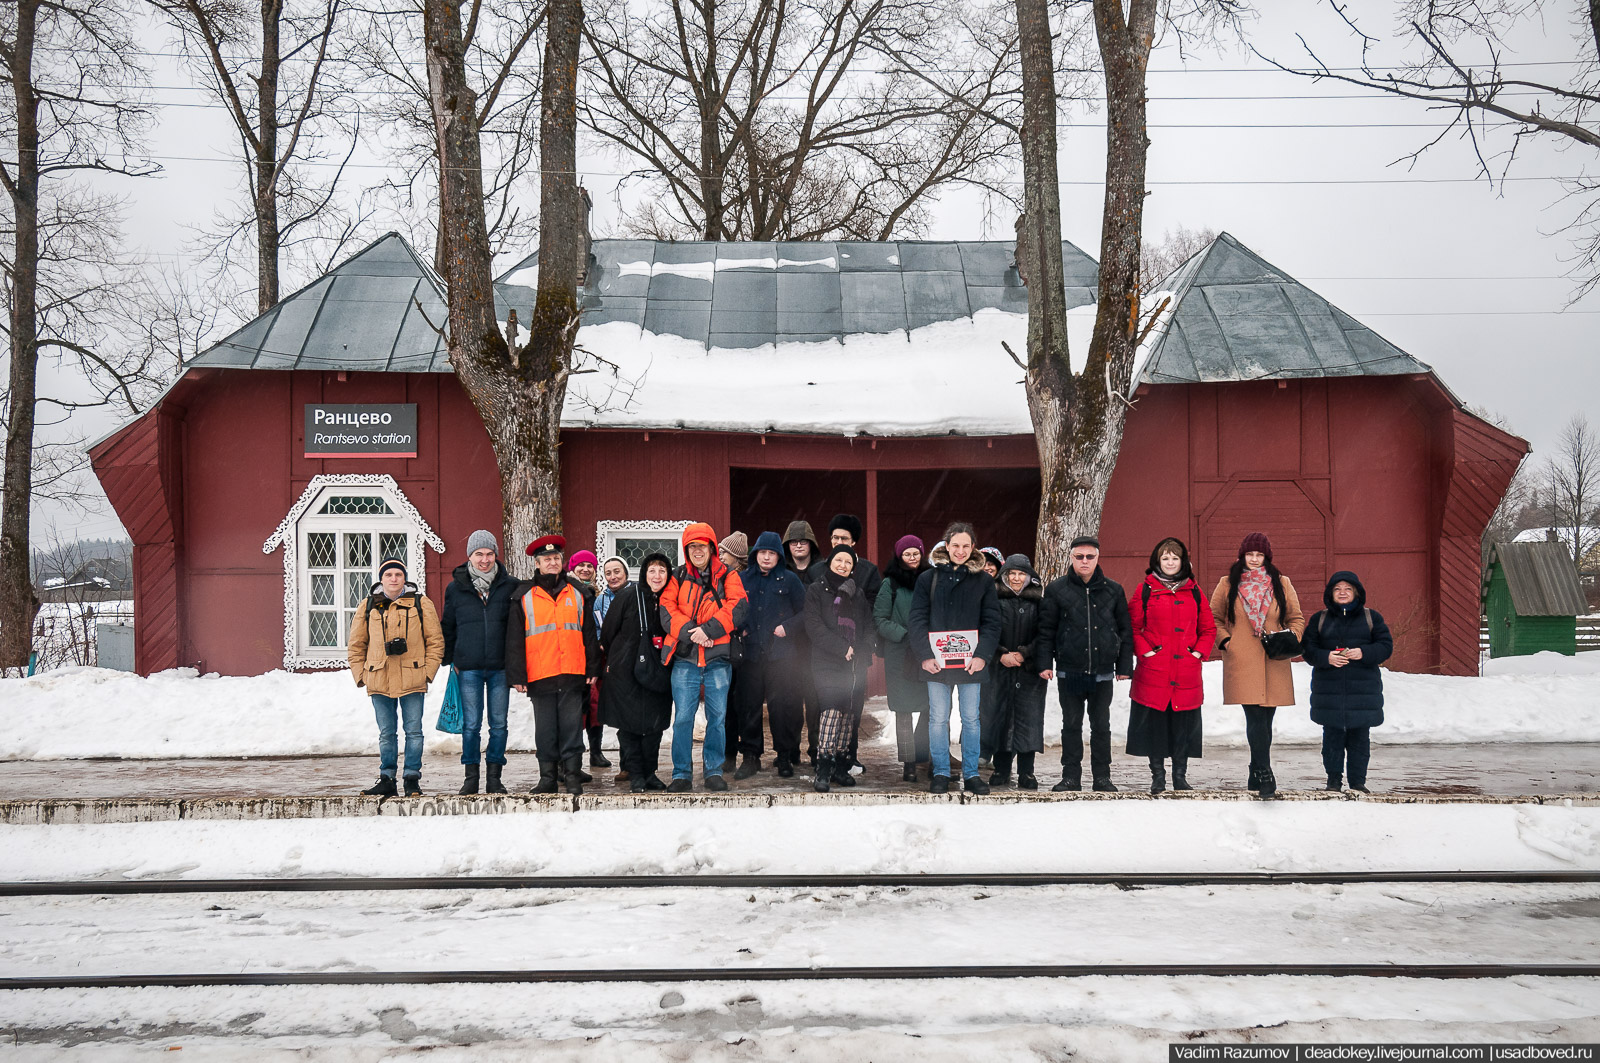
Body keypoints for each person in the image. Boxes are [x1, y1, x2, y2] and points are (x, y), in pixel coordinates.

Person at [1210, 532, 1306, 801]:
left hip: (1274, 659)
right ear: (1242, 556)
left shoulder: (1282, 583)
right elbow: (1212, 617)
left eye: (1259, 554)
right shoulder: (1228, 583)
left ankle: (1255, 768)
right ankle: (1265, 774)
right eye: (1250, 554)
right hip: (1242, 659)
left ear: (1267, 557)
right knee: (1255, 717)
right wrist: (1226, 641)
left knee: (1267, 719)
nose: (1254, 559)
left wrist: (1290, 638)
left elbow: (1296, 618)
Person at [908, 522, 1002, 795]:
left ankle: (971, 774)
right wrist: (925, 656)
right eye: (955, 545)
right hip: (936, 663)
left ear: (973, 548)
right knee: (938, 718)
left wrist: (982, 655)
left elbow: (992, 622)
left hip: (971, 663)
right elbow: (917, 619)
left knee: (971, 719)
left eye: (966, 546)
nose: (960, 551)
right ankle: (940, 772)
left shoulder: (983, 581)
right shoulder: (928, 579)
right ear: (946, 546)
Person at [1035, 536, 1133, 793]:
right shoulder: (1056, 590)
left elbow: (1125, 630)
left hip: (1102, 672)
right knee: (1071, 725)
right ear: (1071, 558)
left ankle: (1102, 777)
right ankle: (1070, 776)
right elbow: (1046, 630)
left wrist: (1124, 666)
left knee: (1101, 726)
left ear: (1098, 558)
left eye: (1090, 556)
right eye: (1079, 557)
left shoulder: (1113, 590)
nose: (1085, 561)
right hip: (1070, 671)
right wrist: (1045, 663)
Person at [506, 535, 602, 795]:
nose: (552, 562)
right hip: (540, 673)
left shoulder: (578, 593)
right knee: (546, 730)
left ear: (562, 562)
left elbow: (589, 634)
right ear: (537, 564)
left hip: (573, 671)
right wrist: (517, 675)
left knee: (572, 728)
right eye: (546, 559)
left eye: (556, 558)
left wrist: (593, 667)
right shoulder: (523, 596)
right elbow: (514, 639)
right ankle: (547, 778)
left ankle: (572, 777)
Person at [662, 522, 749, 792]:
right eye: (692, 546)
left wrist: (708, 630)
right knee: (683, 719)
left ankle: (713, 771)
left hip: (717, 660)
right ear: (686, 549)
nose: (697, 551)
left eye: (702, 545)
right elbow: (666, 609)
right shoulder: (677, 576)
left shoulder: (728, 575)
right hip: (685, 659)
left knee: (717, 719)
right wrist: (693, 633)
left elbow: (739, 606)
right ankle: (681, 774)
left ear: (711, 547)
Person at [1126, 538, 1216, 794]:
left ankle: (1180, 776)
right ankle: (1158, 777)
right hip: (1154, 670)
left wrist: (1197, 652)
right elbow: (1132, 627)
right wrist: (1146, 652)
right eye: (1165, 558)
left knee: (1182, 726)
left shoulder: (1195, 591)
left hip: (1186, 670)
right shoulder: (1145, 590)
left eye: (1175, 558)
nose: (1170, 562)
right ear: (1157, 561)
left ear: (1183, 561)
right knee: (1155, 726)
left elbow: (1208, 628)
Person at [349, 558, 445, 797]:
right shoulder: (368, 605)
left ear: (405, 578)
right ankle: (387, 778)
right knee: (386, 733)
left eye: (398, 575)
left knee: (414, 731)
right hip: (379, 677)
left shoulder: (420, 604)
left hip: (412, 677)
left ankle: (412, 778)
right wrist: (362, 675)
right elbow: (356, 644)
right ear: (381, 579)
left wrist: (427, 672)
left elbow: (435, 641)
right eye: (389, 575)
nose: (393, 579)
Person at [439, 530, 518, 795]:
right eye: (478, 554)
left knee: (499, 725)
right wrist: (451, 659)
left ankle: (494, 777)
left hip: (500, 667)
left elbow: (517, 627)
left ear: (496, 554)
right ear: (469, 556)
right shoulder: (456, 588)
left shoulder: (510, 586)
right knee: (471, 725)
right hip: (468, 667)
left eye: (489, 554)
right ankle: (470, 777)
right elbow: (448, 626)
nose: (484, 560)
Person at [1301, 571, 1393, 793]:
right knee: (1332, 737)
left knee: (1360, 738)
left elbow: (1385, 646)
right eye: (1337, 589)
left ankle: (1358, 782)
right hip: (1328, 690)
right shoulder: (1320, 619)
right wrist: (1327, 657)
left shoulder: (1372, 618)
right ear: (1330, 593)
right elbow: (1308, 650)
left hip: (1363, 690)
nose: (1342, 593)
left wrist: (1364, 652)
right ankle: (1333, 780)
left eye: (1347, 589)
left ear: (1357, 592)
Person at [599, 552, 675, 793]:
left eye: (662, 571)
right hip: (626, 672)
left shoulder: (671, 598)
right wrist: (623, 655)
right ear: (644, 573)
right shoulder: (628, 596)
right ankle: (636, 775)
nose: (657, 575)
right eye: (652, 570)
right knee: (630, 725)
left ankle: (650, 773)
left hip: (658, 670)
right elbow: (608, 633)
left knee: (654, 725)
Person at [735, 531, 807, 778]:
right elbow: (732, 609)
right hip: (750, 653)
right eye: (763, 552)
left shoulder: (790, 580)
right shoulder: (742, 579)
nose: (767, 557)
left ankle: (784, 756)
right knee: (749, 706)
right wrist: (741, 628)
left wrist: (788, 627)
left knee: (781, 706)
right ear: (755, 554)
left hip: (781, 655)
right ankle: (750, 757)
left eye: (772, 553)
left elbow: (806, 613)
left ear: (779, 556)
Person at [804, 544, 873, 791]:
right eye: (839, 560)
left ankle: (841, 766)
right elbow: (813, 626)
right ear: (830, 562)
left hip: (853, 663)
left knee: (848, 713)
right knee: (831, 710)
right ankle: (824, 767)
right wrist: (841, 647)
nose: (843, 565)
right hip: (826, 661)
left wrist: (862, 650)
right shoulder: (816, 589)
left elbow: (867, 625)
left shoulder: (857, 593)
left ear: (853, 568)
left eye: (848, 562)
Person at [825, 514, 881, 774]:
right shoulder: (821, 568)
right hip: (827, 650)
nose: (839, 542)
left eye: (844, 538)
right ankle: (822, 755)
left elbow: (873, 606)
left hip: (857, 649)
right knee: (826, 704)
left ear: (854, 542)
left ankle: (849, 755)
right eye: (835, 537)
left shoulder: (868, 571)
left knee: (853, 705)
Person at [988, 554, 1048, 790]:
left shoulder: (1039, 602)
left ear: (1029, 577)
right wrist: (1001, 654)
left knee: (1028, 720)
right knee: (1000, 719)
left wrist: (1025, 653)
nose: (1015, 578)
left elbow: (1045, 634)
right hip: (999, 669)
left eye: (1021, 574)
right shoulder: (993, 599)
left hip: (1029, 671)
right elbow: (985, 630)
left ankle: (1027, 771)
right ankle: (1001, 769)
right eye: (1011, 573)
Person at [874, 534, 931, 782]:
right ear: (899, 556)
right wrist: (905, 635)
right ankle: (908, 764)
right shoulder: (890, 584)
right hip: (900, 653)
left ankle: (925, 756)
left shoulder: (930, 579)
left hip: (927, 651)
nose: (912, 557)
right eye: (907, 554)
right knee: (903, 709)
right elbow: (880, 619)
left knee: (932, 706)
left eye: (915, 553)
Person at [566, 549, 610, 769]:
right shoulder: (567, 590)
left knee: (595, 705)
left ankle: (596, 752)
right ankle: (572, 759)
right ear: (572, 568)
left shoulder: (596, 594)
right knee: (577, 707)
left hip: (595, 656)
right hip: (574, 655)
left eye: (590, 566)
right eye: (581, 565)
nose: (585, 569)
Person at [717, 531, 751, 773]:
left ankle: (745, 754)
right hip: (722, 648)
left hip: (743, 650)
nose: (720, 556)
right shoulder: (718, 578)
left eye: (724, 552)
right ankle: (727, 754)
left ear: (736, 557)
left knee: (741, 704)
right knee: (725, 705)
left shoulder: (745, 579)